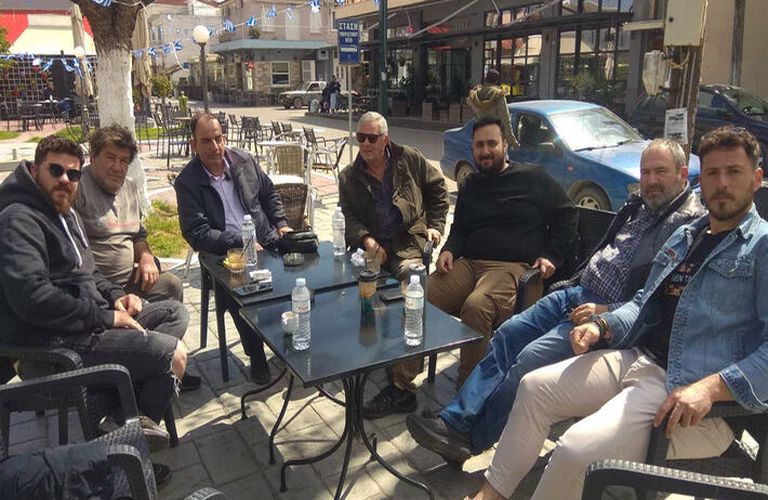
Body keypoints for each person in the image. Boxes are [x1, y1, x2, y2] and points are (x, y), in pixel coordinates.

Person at [464, 126, 767, 500]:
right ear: (700, 180)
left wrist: (711, 388)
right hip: (640, 359)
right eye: (712, 173)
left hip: (693, 399)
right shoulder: (687, 237)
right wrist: (602, 324)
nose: (721, 183)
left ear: (756, 178)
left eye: (733, 172)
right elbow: (643, 302)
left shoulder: (761, 247)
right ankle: (489, 495)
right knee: (534, 388)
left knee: (575, 448)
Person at [407, 138, 704, 464]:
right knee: (507, 334)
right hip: (575, 293)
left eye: (660, 172)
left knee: (528, 360)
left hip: (606, 318)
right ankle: (455, 420)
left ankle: (471, 439)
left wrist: (607, 312)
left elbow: (657, 301)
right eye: (645, 172)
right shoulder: (640, 206)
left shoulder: (687, 227)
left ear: (682, 174)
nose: (650, 180)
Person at [0, 136, 189, 451]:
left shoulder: (65, 212)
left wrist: (116, 297)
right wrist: (106, 317)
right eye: (56, 170)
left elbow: (90, 272)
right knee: (173, 355)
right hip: (50, 345)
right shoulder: (18, 219)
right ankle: (122, 451)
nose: (65, 179)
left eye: (73, 173)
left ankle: (120, 419)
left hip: (86, 325)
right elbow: (33, 299)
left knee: (174, 312)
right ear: (34, 170)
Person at [431, 116, 577, 389]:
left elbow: (568, 214)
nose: (485, 151)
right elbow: (459, 228)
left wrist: (552, 255)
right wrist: (449, 250)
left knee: (476, 308)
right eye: (479, 145)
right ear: (473, 149)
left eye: (492, 144)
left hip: (513, 268)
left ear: (505, 145)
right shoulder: (470, 184)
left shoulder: (532, 178)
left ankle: (467, 398)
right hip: (469, 264)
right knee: (419, 296)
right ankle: (401, 384)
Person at [338, 111, 449, 418]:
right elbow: (348, 216)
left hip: (408, 246)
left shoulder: (408, 159)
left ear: (385, 139)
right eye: (361, 137)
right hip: (374, 252)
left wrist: (436, 225)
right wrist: (366, 239)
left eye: (372, 138)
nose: (365, 144)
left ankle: (402, 386)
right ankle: (366, 354)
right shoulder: (349, 176)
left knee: (413, 292)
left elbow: (438, 190)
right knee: (347, 290)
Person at [175, 113, 292, 384]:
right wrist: (238, 241)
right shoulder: (188, 181)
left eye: (218, 138)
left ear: (224, 137)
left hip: (265, 239)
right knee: (240, 292)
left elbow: (269, 194)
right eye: (206, 141)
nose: (215, 147)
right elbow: (197, 233)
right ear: (194, 145)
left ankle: (292, 336)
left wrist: (282, 225)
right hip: (225, 254)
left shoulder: (244, 160)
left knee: (304, 268)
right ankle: (257, 355)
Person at [75, 125, 183, 303]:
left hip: (130, 282)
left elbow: (138, 234)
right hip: (94, 289)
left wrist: (146, 257)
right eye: (111, 158)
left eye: (124, 161)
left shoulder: (130, 186)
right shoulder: (78, 187)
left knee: (171, 285)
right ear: (93, 157)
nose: (117, 167)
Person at [467, 69, 519, 149]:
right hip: (494, 135)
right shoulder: (499, 95)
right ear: (497, 80)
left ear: (486, 79)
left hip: (479, 133)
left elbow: (469, 103)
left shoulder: (475, 94)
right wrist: (513, 142)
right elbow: (505, 120)